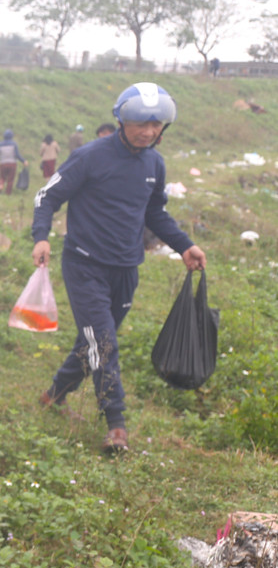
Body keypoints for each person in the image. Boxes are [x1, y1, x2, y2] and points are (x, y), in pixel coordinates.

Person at [32, 83, 206, 454]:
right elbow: (48, 196)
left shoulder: (154, 164)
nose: (148, 131)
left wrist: (184, 245)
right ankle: (116, 425)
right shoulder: (89, 157)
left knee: (93, 341)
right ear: (122, 120)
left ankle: (53, 396)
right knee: (104, 343)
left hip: (126, 269)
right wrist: (41, 236)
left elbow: (154, 213)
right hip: (85, 265)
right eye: (140, 123)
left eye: (156, 124)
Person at [0, 129, 24, 195]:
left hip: (3, 164)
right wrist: (23, 161)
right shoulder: (14, 144)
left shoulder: (0, 144)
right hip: (12, 164)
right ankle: (8, 193)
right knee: (10, 179)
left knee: (2, 177)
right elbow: (17, 155)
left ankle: (1, 186)